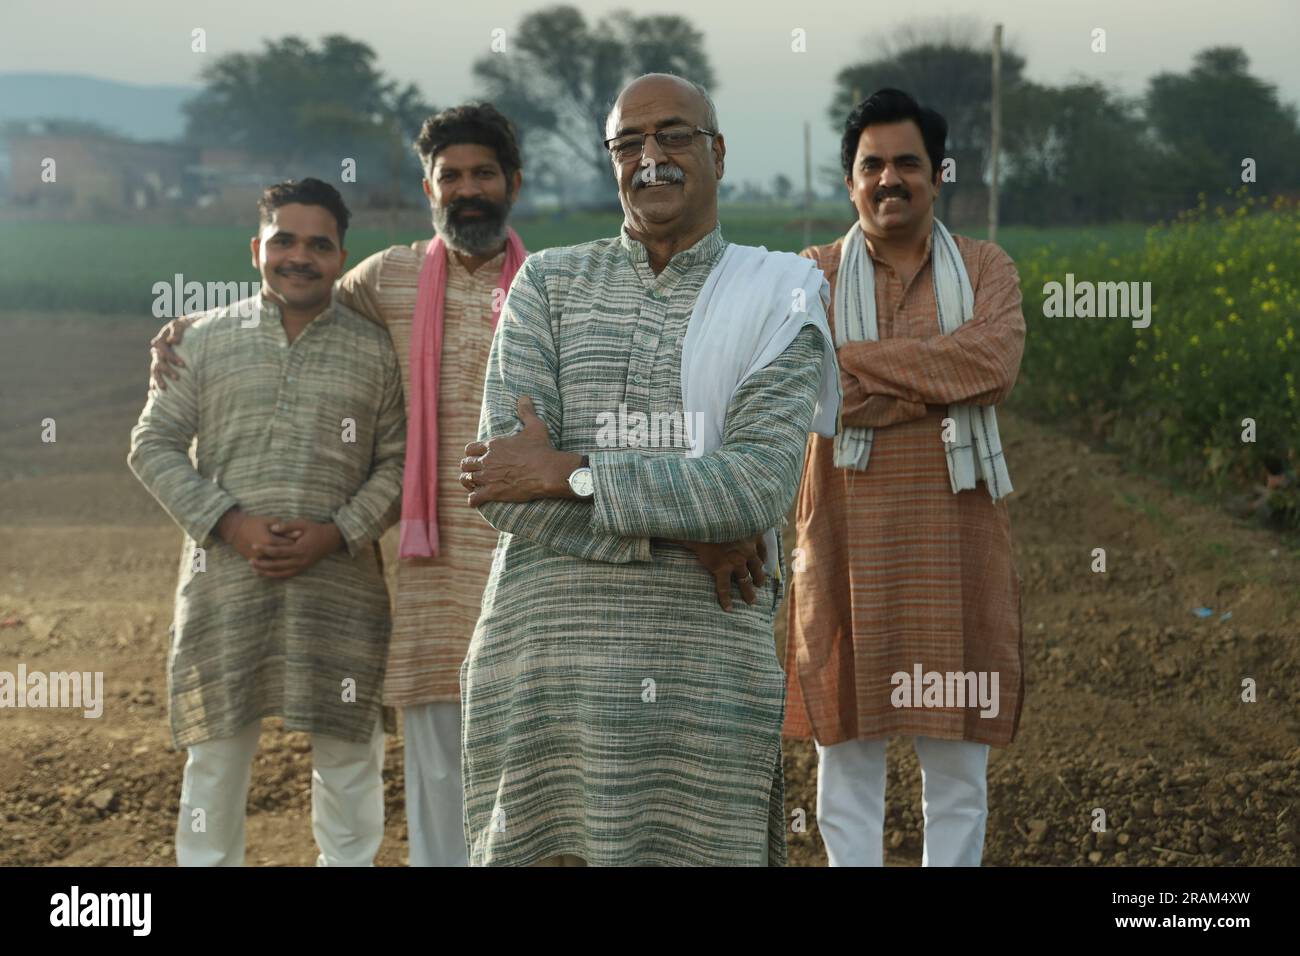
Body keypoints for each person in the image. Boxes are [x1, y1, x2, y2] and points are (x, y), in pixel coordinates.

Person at [455, 73, 840, 866]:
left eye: (674, 136)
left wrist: (569, 472)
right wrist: (689, 537)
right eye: (628, 143)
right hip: (542, 676)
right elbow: (501, 486)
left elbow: (755, 489)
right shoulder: (548, 285)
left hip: (699, 682)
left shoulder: (781, 296)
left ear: (718, 152)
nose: (651, 158)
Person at [149, 103, 527, 868]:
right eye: (449, 176)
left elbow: (393, 446)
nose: (467, 189)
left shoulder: (547, 287)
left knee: (510, 760)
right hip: (418, 568)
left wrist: (335, 530)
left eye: (482, 173)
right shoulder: (387, 279)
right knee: (414, 759)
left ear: (512, 183)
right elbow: (290, 306)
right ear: (428, 190)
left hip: (515, 562)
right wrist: (185, 330)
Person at [129, 178, 406, 866]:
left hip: (339, 589)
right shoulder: (203, 342)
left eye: (319, 244)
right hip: (227, 584)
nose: (299, 256)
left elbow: (401, 465)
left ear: (342, 258)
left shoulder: (376, 352)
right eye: (284, 240)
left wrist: (336, 531)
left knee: (348, 759)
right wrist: (230, 524)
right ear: (257, 248)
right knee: (216, 760)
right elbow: (151, 445)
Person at [783, 89, 1026, 867]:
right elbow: (815, 391)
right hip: (845, 546)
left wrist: (857, 368)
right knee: (846, 757)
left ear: (938, 174)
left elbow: (992, 365)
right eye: (872, 165)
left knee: (955, 764)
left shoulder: (986, 266)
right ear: (849, 181)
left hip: (956, 544)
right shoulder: (810, 276)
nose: (891, 179)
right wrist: (933, 382)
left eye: (907, 163)